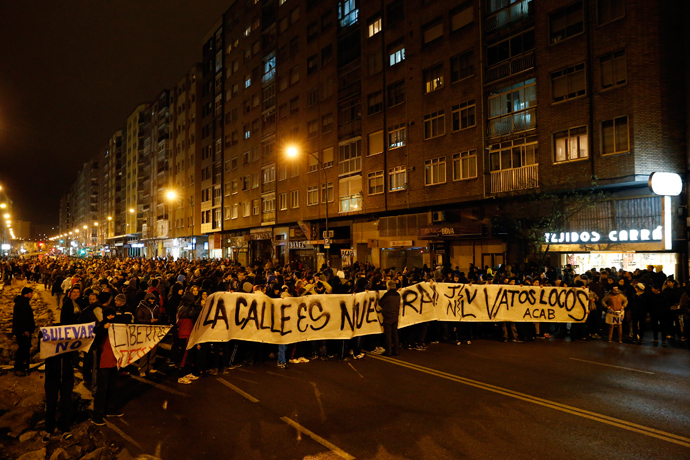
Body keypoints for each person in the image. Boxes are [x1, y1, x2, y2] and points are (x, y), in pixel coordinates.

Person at [91, 307, 124, 425]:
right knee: (102, 390)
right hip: (103, 363)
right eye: (109, 315)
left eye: (113, 315)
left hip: (114, 362)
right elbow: (95, 339)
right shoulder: (100, 328)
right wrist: (103, 329)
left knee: (112, 387)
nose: (111, 318)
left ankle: (109, 409)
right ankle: (97, 415)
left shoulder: (117, 328)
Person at [135, 293, 160, 377]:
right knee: (144, 350)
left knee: (153, 349)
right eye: (150, 299)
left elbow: (160, 317)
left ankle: (150, 367)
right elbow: (138, 319)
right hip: (144, 331)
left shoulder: (156, 307)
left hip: (154, 331)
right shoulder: (141, 307)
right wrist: (150, 321)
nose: (152, 301)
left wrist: (159, 320)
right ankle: (142, 369)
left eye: (153, 299)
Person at [12, 286, 35, 376]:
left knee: (24, 348)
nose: (32, 295)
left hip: (22, 331)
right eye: (31, 293)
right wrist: (25, 330)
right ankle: (18, 368)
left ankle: (22, 366)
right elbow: (21, 319)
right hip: (22, 332)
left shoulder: (22, 302)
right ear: (27, 294)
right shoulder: (22, 303)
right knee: (22, 349)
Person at [379, 280, 401, 357]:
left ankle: (389, 351)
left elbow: (380, 303)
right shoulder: (398, 294)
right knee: (395, 334)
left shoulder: (387, 295)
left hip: (388, 316)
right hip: (395, 316)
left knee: (388, 335)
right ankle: (396, 351)